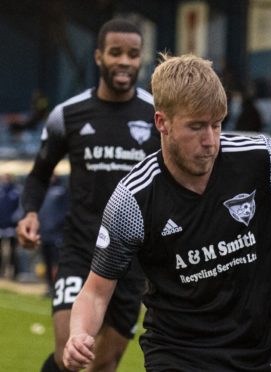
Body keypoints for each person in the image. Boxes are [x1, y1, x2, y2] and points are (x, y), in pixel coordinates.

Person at [62, 53, 271, 372]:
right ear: (162, 123)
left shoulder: (260, 159)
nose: (211, 140)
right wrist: (79, 334)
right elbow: (96, 290)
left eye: (217, 124)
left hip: (257, 351)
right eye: (196, 127)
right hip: (178, 354)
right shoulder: (132, 200)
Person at [16, 18, 160, 372]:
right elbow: (38, 175)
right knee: (72, 355)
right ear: (98, 57)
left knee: (103, 362)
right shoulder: (67, 115)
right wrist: (30, 212)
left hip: (133, 261)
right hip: (81, 250)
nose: (124, 61)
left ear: (141, 59)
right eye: (115, 53)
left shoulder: (158, 115)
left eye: (133, 54)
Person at [38, 175, 68, 296]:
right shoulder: (44, 192)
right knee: (47, 262)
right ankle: (49, 286)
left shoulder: (61, 192)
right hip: (44, 234)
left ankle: (57, 287)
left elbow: (66, 211)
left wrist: (57, 224)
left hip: (56, 235)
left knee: (56, 262)